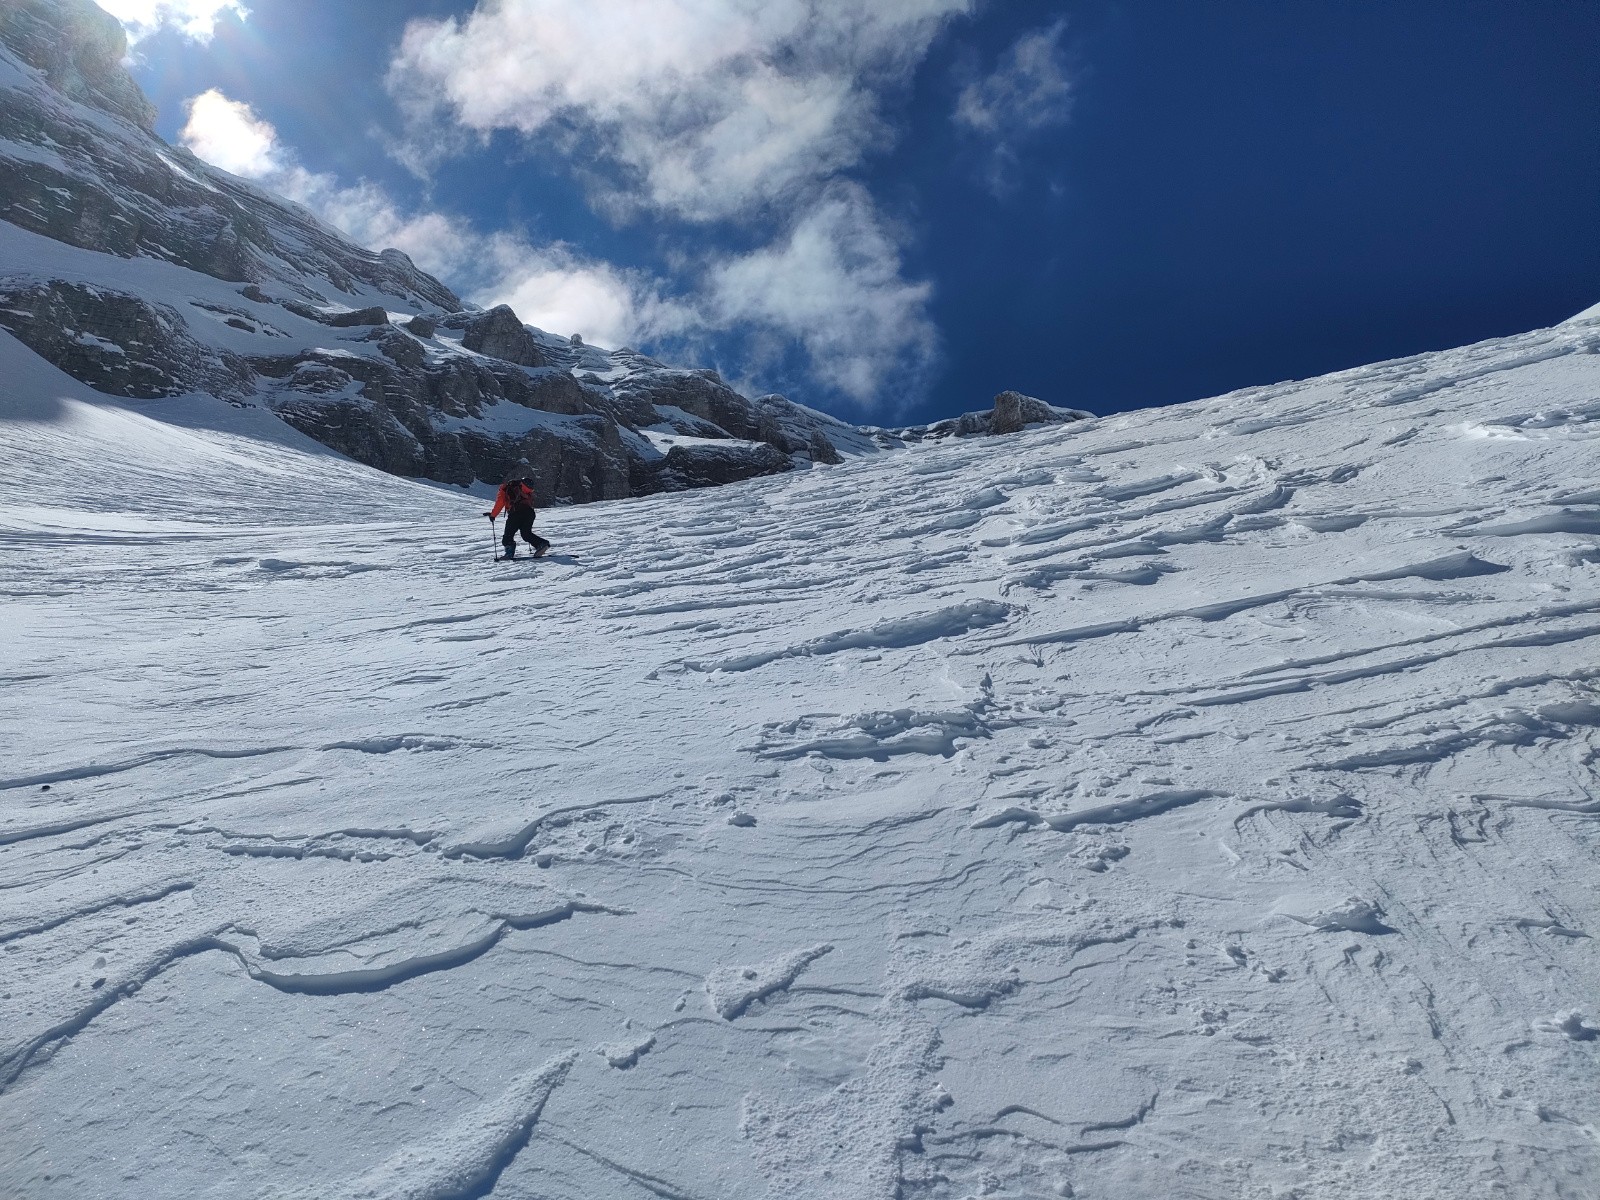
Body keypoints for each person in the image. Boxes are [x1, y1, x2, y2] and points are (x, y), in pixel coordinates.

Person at [484, 472, 551, 559]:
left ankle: (509, 553)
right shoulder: (524, 489)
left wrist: (493, 515)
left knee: (508, 536)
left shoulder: (505, 488)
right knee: (526, 533)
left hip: (516, 514)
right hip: (529, 513)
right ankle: (541, 543)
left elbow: (500, 502)